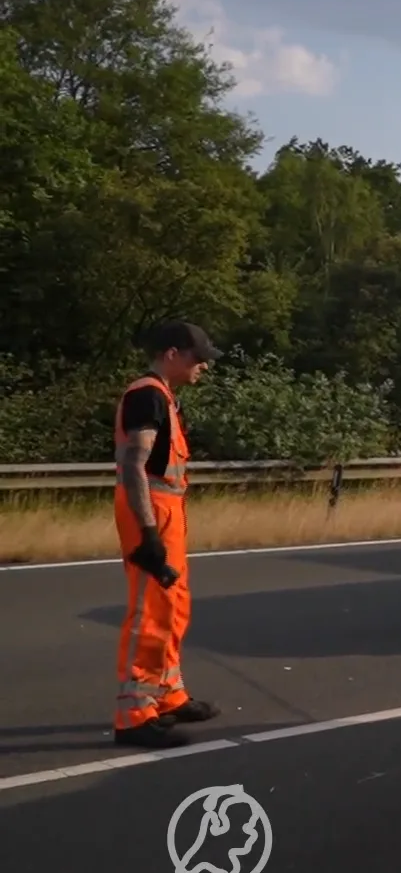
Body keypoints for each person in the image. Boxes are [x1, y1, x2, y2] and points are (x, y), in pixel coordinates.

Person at [112, 321, 223, 748]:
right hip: (151, 514)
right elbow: (133, 465)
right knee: (150, 614)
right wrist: (148, 534)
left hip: (167, 511)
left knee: (173, 607)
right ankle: (134, 716)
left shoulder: (164, 397)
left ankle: (167, 696)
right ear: (172, 354)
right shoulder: (147, 395)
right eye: (198, 359)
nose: (203, 368)